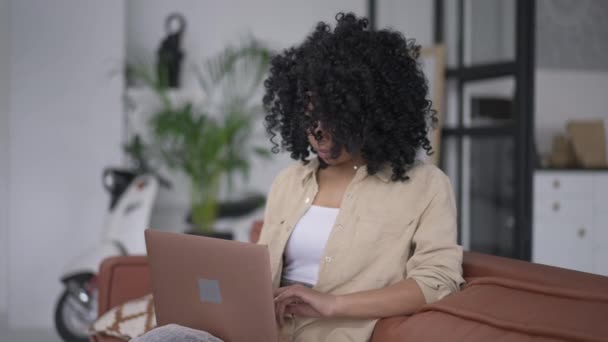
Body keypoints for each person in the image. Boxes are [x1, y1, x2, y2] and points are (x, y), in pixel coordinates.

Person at [135, 11, 463, 342]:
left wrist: (332, 304)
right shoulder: (289, 182)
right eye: (309, 119)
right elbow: (260, 275)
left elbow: (437, 282)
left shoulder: (426, 186)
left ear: (372, 115)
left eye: (334, 120)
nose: (317, 135)